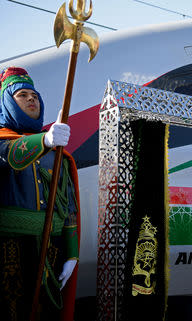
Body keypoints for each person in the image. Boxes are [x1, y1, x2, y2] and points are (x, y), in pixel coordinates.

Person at [0, 67, 80, 321]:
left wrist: (71, 253)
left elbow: (68, 207)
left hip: (51, 249)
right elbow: (11, 155)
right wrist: (44, 141)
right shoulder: (6, 141)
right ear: (6, 104)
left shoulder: (57, 154)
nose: (32, 98)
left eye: (34, 95)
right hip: (8, 249)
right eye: (22, 95)